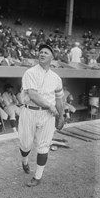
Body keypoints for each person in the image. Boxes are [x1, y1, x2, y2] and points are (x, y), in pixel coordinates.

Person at [18, 44, 64, 187]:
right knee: (25, 144)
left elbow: (59, 99)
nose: (42, 54)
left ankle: (38, 176)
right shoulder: (30, 72)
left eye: (46, 53)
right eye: (41, 52)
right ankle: (24, 161)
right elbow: (33, 95)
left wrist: (61, 116)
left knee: (44, 146)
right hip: (29, 111)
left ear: (52, 58)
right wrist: (51, 106)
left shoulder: (56, 78)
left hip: (47, 116)